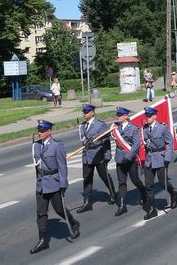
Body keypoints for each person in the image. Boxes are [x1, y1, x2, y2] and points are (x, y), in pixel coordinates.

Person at [30, 120, 80, 255]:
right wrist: (38, 181)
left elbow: (62, 166)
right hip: (41, 184)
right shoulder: (36, 146)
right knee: (41, 213)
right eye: (39, 131)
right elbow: (37, 167)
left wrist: (63, 184)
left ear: (49, 131)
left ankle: (73, 223)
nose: (39, 133)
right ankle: (43, 240)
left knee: (59, 209)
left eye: (42, 131)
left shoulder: (57, 146)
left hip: (53, 182)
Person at [76, 104, 116, 213]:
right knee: (87, 179)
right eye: (83, 112)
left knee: (104, 176)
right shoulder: (82, 126)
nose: (84, 114)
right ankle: (87, 202)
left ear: (92, 112)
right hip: (87, 156)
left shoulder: (100, 124)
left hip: (98, 156)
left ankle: (112, 193)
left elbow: (106, 140)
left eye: (86, 112)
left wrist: (107, 155)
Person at [141, 107, 177, 220]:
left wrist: (167, 158)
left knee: (163, 182)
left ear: (155, 116)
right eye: (146, 116)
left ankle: (173, 193)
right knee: (148, 185)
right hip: (149, 158)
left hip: (160, 157)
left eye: (149, 116)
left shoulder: (162, 127)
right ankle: (153, 210)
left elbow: (170, 142)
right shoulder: (144, 129)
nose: (147, 118)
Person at [111, 107, 147, 216]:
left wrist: (128, 156)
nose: (118, 116)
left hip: (130, 159)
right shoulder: (116, 128)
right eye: (117, 115)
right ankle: (122, 206)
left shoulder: (133, 128)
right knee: (121, 182)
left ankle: (144, 192)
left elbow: (136, 144)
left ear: (126, 116)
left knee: (135, 180)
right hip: (119, 158)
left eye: (120, 115)